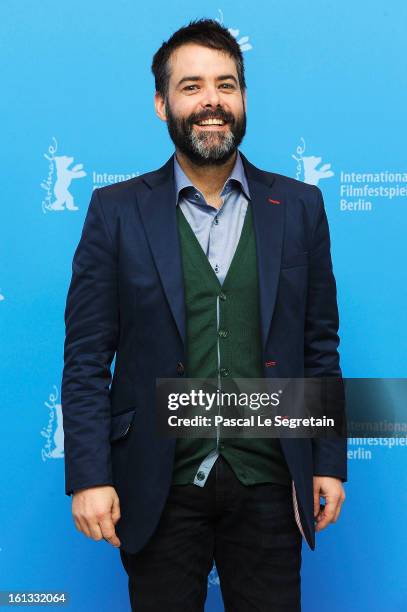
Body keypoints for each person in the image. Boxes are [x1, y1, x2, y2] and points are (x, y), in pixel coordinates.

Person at [61, 18, 347, 611]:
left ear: (243, 99)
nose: (211, 102)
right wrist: (89, 474)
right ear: (162, 104)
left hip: (269, 481)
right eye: (191, 87)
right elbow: (87, 357)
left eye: (226, 85)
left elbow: (319, 346)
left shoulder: (299, 207)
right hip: (156, 482)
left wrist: (326, 460)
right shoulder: (114, 212)